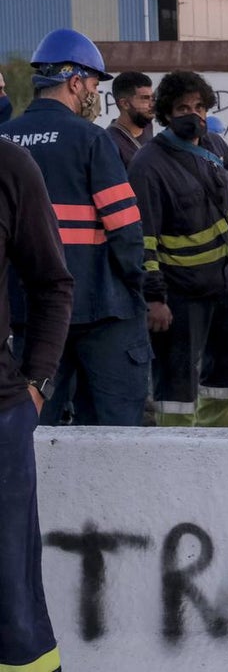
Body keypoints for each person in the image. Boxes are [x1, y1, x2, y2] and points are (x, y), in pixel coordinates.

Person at [0, 28, 149, 427]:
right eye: (94, 85)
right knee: (114, 425)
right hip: (101, 310)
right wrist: (140, 287)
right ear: (75, 81)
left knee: (34, 424)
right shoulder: (91, 140)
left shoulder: (5, 139)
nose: (94, 95)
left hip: (30, 314)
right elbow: (126, 232)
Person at [128, 70, 228, 427]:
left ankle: (224, 446)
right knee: (176, 381)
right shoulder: (148, 165)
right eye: (183, 108)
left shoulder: (217, 147)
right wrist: (155, 298)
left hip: (226, 282)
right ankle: (176, 451)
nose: (194, 115)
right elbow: (144, 240)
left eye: (200, 106)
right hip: (180, 293)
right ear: (166, 113)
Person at [0, 138, 73, 672]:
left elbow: (51, 283)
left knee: (13, 600)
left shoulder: (9, 165)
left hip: (1, 416)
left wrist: (36, 385)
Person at [106, 71, 154, 168]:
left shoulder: (147, 125)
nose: (152, 104)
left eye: (152, 98)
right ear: (125, 104)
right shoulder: (110, 142)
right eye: (145, 99)